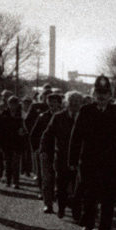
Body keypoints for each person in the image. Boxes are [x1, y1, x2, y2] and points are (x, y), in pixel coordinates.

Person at [69, 77, 116, 230]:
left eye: (105, 93)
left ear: (110, 95)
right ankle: (87, 226)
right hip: (89, 162)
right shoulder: (86, 110)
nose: (102, 96)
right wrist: (73, 160)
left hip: (111, 164)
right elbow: (76, 137)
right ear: (93, 93)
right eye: (98, 93)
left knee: (108, 201)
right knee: (89, 197)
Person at [42, 92, 83, 221]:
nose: (74, 105)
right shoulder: (58, 117)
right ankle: (61, 207)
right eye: (72, 102)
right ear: (66, 103)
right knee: (61, 185)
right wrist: (44, 151)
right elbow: (48, 135)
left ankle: (76, 212)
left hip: (79, 159)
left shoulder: (85, 118)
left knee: (78, 187)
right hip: (61, 157)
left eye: (77, 102)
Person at [32, 94, 62, 214]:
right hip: (46, 152)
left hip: (61, 152)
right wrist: (37, 149)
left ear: (59, 103)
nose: (52, 105)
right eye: (49, 102)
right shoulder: (43, 117)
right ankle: (48, 204)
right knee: (47, 179)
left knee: (60, 179)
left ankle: (62, 203)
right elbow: (34, 134)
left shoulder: (65, 116)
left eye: (54, 102)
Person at [0, 97, 27, 190]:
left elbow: (25, 128)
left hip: (17, 142)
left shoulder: (21, 115)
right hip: (6, 142)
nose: (13, 106)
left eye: (15, 104)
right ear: (8, 104)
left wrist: (23, 133)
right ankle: (8, 179)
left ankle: (16, 182)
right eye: (11, 103)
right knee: (8, 162)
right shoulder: (2, 114)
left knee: (16, 162)